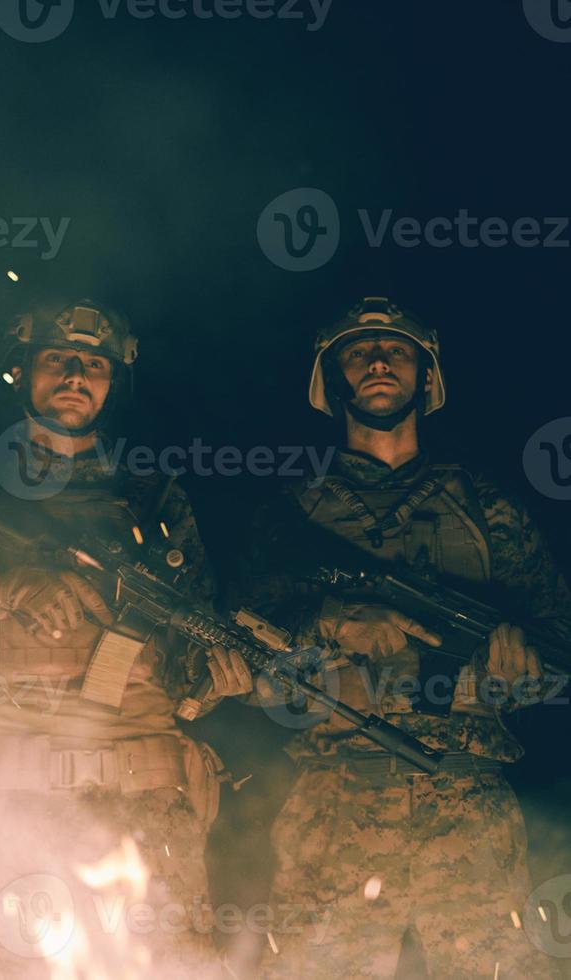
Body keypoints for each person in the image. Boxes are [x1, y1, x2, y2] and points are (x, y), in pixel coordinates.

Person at [0, 301, 251, 976]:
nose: (77, 375)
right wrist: (1, 591)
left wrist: (219, 678)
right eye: (58, 359)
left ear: (113, 384)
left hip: (148, 814)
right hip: (15, 816)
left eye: (95, 365)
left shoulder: (154, 502)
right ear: (21, 372)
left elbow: (190, 666)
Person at [240, 296, 571, 977]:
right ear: (334, 381)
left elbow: (556, 641)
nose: (380, 362)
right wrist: (330, 620)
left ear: (426, 377)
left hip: (468, 806)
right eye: (359, 353)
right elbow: (240, 662)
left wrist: (520, 670)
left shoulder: (485, 506)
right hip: (336, 801)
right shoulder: (293, 514)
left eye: (398, 352)